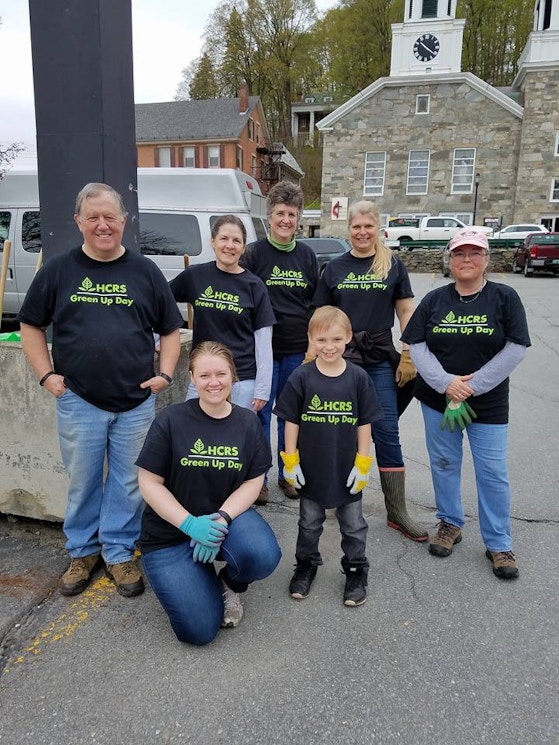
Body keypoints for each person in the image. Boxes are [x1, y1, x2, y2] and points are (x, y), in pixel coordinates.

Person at [18, 182, 183, 598]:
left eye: (110, 216)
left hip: (135, 403)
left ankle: (118, 551)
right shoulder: (58, 270)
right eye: (93, 217)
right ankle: (82, 551)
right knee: (83, 481)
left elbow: (170, 329)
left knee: (129, 481)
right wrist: (46, 376)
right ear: (79, 222)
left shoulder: (145, 272)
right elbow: (30, 324)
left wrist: (163, 375)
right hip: (78, 400)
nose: (103, 225)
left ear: (124, 222)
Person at [401, 228, 530, 579]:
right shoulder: (434, 300)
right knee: (444, 462)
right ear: (450, 260)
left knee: (492, 473)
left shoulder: (504, 297)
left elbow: (516, 347)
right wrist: (446, 383)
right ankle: (450, 523)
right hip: (437, 399)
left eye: (474, 253)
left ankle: (499, 542)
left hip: (487, 404)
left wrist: (472, 386)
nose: (467, 260)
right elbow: (417, 343)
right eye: (459, 254)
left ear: (486, 259)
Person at [136, 341, 282, 645]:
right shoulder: (171, 421)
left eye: (221, 374)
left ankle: (230, 583)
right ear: (191, 377)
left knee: (263, 554)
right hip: (169, 534)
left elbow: (253, 481)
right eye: (204, 375)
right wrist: (190, 525)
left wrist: (222, 518)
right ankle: (194, 576)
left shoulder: (247, 422)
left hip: (222, 523)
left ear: (232, 376)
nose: (213, 382)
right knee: (200, 631)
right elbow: (149, 483)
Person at [313, 200, 428, 542]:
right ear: (348, 229)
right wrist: (311, 358)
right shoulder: (334, 268)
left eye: (368, 226)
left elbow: (407, 310)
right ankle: (342, 497)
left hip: (379, 358)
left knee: (386, 431)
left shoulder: (392, 265)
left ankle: (397, 511)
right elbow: (320, 318)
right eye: (356, 227)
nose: (362, 232)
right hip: (341, 360)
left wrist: (408, 352)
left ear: (378, 228)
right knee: (341, 431)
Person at [273, 306, 383, 606]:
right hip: (311, 469)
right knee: (309, 523)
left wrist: (363, 463)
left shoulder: (358, 378)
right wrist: (290, 461)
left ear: (348, 337)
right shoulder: (301, 377)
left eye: (336, 339)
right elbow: (291, 421)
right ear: (310, 339)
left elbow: (364, 423)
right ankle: (306, 564)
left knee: (353, 525)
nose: (329, 346)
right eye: (321, 340)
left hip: (347, 469)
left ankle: (357, 569)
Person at [242, 181, 319, 504]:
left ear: (298, 217)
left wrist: (312, 346)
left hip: (295, 350)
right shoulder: (254, 253)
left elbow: (316, 302)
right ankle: (257, 478)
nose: (286, 220)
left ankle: (289, 473)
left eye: (291, 214)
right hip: (260, 350)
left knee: (291, 415)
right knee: (258, 413)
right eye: (279, 214)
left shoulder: (306, 255)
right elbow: (240, 294)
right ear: (269, 217)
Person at [169, 215, 275, 412]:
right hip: (203, 377)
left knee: (235, 439)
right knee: (195, 434)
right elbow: (161, 301)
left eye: (237, 241)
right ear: (213, 242)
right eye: (224, 238)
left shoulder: (254, 286)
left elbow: (263, 339)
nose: (230, 245)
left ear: (243, 247)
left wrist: (262, 389)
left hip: (241, 380)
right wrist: (159, 338)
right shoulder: (195, 276)